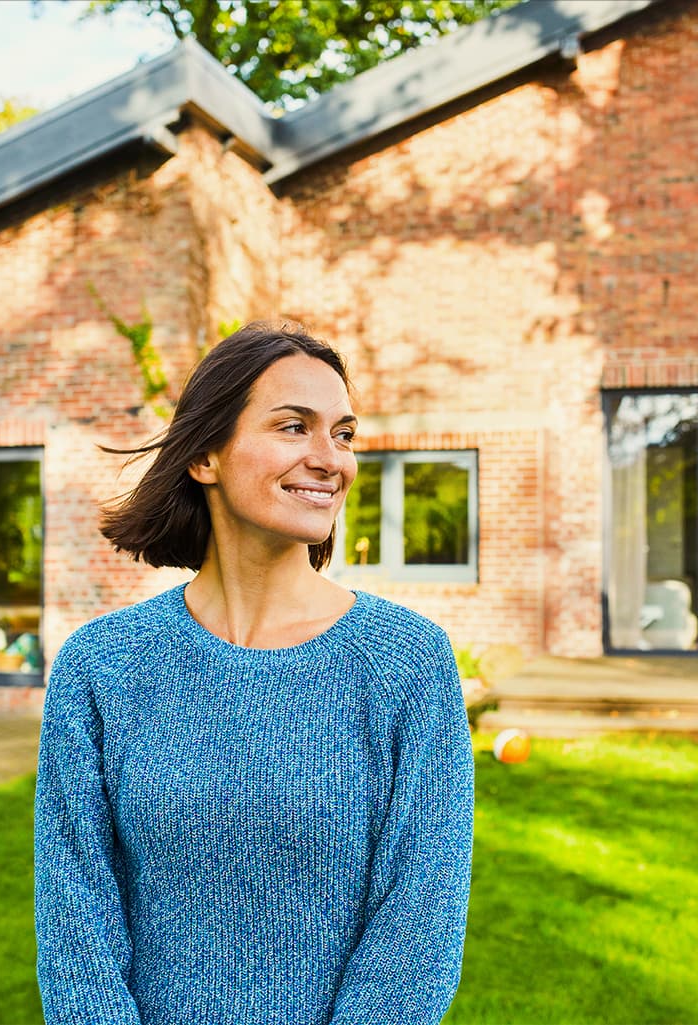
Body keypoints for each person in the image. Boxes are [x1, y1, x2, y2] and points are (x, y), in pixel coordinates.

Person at [33, 320, 476, 1025]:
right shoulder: (103, 665)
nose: (331, 459)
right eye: (294, 427)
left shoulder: (407, 662)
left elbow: (419, 924)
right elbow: (75, 921)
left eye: (344, 434)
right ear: (205, 456)